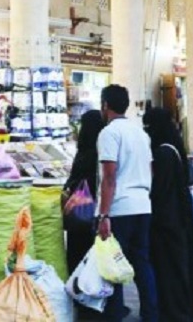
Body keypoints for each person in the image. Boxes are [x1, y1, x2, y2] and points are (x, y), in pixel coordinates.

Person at [96, 85, 158, 322]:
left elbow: (109, 177)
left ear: (105, 105)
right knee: (142, 262)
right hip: (143, 205)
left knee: (113, 262)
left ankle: (114, 313)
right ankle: (151, 313)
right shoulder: (141, 134)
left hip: (120, 208)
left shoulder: (109, 133)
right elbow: (150, 169)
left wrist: (104, 215)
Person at [143, 108, 193, 322]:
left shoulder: (163, 153)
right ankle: (183, 307)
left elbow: (161, 190)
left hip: (168, 219)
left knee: (169, 266)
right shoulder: (173, 148)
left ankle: (173, 310)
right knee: (179, 264)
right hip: (178, 216)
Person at [64, 109, 105, 298]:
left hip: (79, 212)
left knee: (77, 254)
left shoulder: (82, 153)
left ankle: (78, 295)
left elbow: (74, 181)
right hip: (96, 210)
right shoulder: (101, 153)